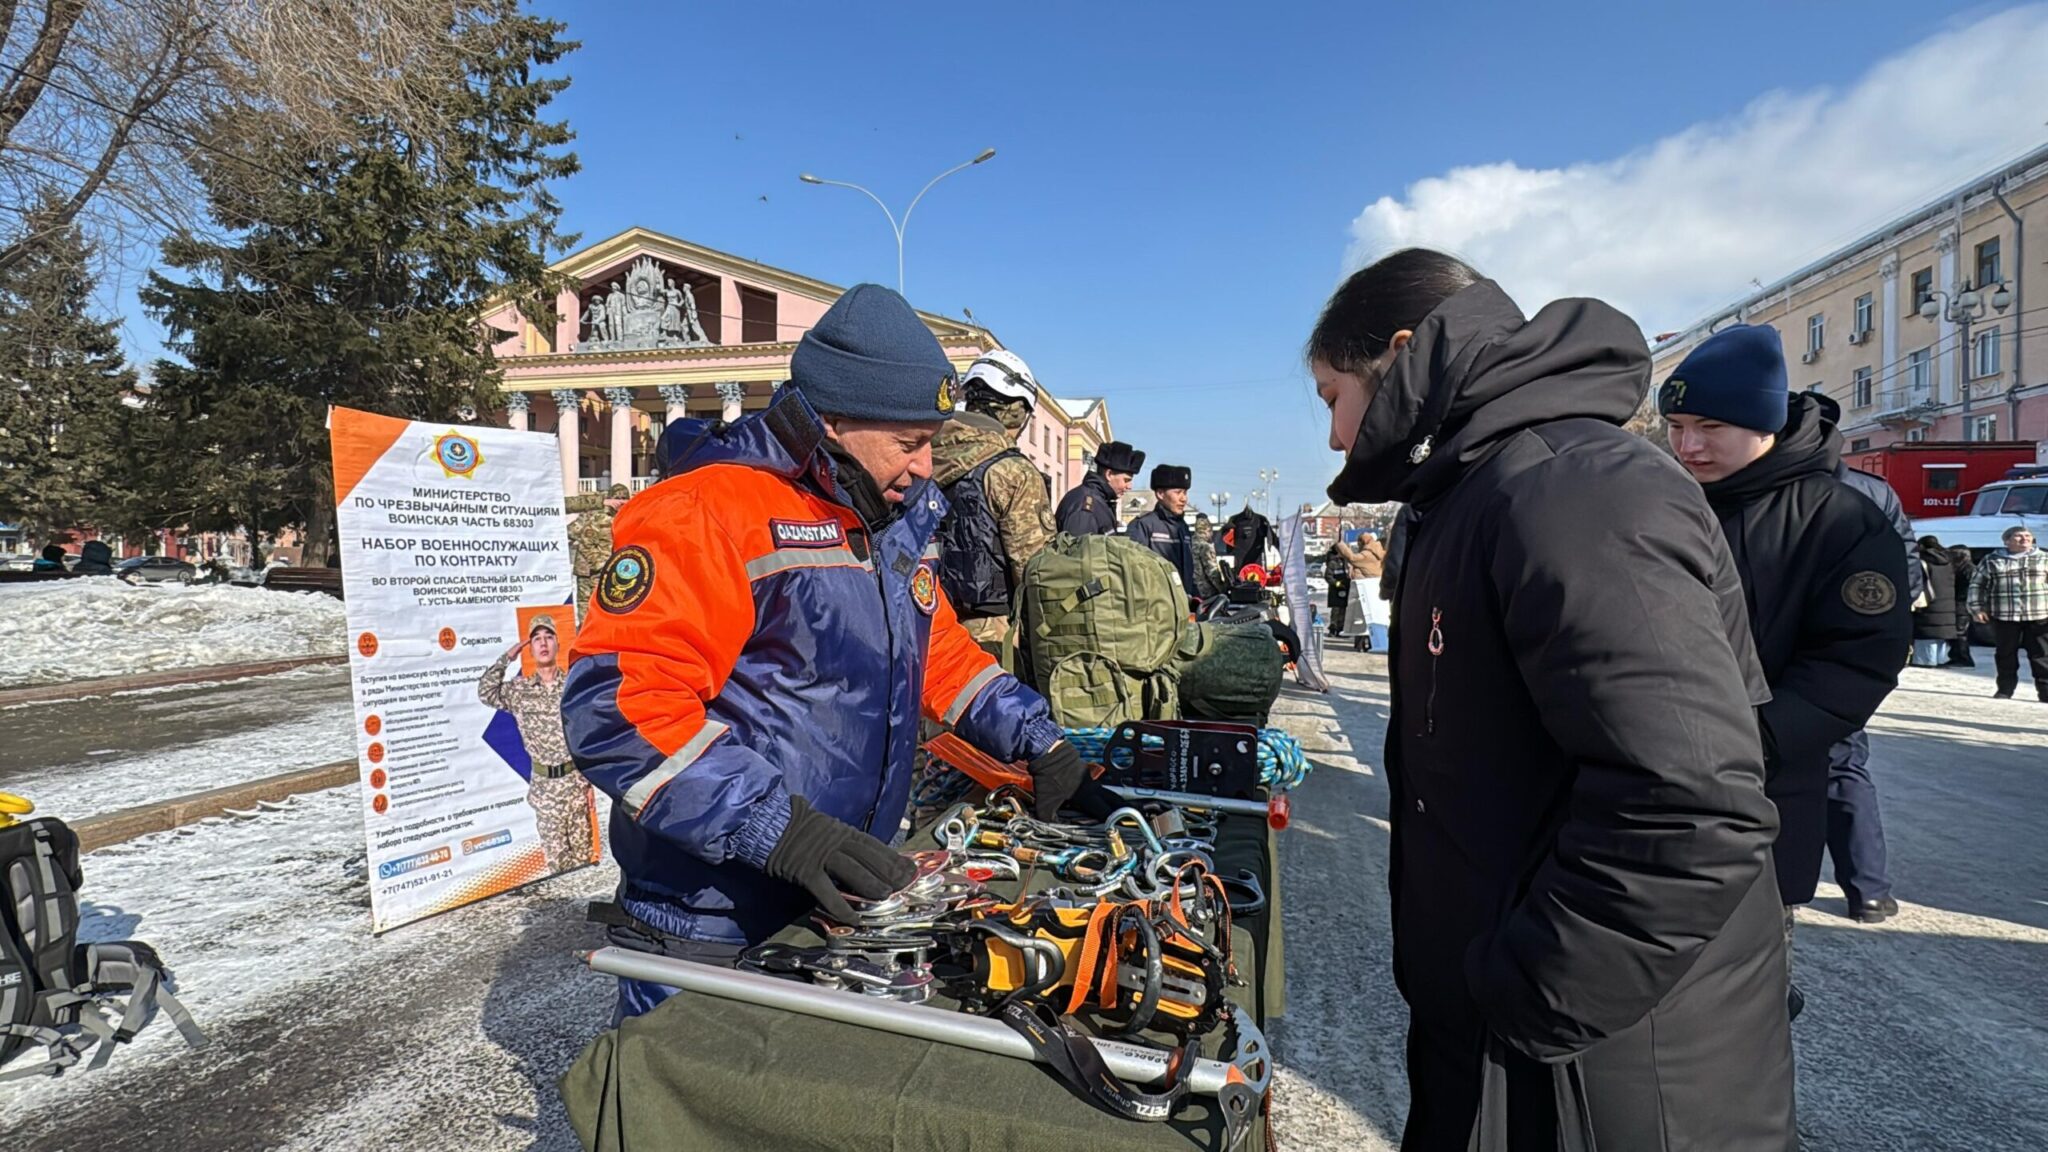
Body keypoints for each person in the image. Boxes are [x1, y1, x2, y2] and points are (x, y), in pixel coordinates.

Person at [1315, 248, 1790, 1150]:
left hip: (1602, 1061)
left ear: (1403, 353)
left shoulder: (1572, 488)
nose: (1336, 437)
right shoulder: (1472, 491)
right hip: (1519, 1030)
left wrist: (1532, 992)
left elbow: (1690, 804)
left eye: (1332, 395)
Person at [563, 284, 1115, 1020]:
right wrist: (777, 829)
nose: (926, 467)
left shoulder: (887, 517)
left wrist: (1037, 740)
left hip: (835, 890)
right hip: (714, 910)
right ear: (833, 420)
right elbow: (619, 710)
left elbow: (936, 652)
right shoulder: (710, 511)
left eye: (932, 442)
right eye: (909, 444)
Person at [1660, 325, 1910, 932]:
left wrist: (1752, 741)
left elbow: (1858, 659)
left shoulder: (1839, 519)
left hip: (1761, 788)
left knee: (1747, 964)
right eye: (1676, 426)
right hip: (1646, 783)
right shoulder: (1661, 500)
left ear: (1764, 424)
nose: (1688, 445)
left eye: (1711, 427)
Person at [930, 349, 1056, 648]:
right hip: (990, 635)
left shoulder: (919, 452)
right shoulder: (1012, 471)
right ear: (1017, 411)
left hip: (924, 623)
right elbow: (1035, 571)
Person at [477, 612, 594, 874]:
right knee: (558, 869)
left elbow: (586, 734)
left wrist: (588, 783)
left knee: (584, 863)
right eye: (536, 639)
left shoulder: (573, 685)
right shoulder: (520, 691)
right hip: (545, 792)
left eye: (548, 637)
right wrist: (507, 658)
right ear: (529, 648)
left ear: (557, 644)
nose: (543, 643)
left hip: (575, 787)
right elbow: (485, 692)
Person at [1968, 525, 2048, 701]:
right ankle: (2005, 689)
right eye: (2018, 536)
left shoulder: (2044, 558)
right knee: (2005, 654)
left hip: (2039, 614)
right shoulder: (1992, 560)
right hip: (2004, 614)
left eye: (2028, 536)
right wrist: (1977, 608)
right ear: (2006, 541)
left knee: (2041, 655)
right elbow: (1977, 585)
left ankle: (2045, 691)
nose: (2024, 539)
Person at [1125, 464, 1198, 594]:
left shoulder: (1183, 527)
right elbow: (1132, 571)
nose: (1184, 499)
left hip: (1182, 600)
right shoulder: (1143, 525)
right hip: (1157, 602)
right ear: (1160, 494)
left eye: (1185, 493)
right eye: (1178, 492)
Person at [567, 483, 631, 619]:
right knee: (587, 608)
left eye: (624, 498)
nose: (620, 502)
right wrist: (600, 564)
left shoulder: (629, 517)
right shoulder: (597, 515)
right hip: (590, 570)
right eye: (617, 498)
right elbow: (580, 537)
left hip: (613, 572)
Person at [1054, 440, 1143, 536]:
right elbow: (1080, 545)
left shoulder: (1099, 502)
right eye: (1126, 480)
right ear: (1109, 474)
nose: (1129, 486)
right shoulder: (1085, 507)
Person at [1912, 536, 1961, 668]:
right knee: (1940, 632)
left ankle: (1925, 660)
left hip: (1929, 601)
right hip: (1947, 602)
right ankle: (1940, 659)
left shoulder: (1921, 561)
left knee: (1926, 631)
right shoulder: (1948, 562)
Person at [1948, 544, 1978, 667]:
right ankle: (1956, 655)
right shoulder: (1962, 568)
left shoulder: (1968, 569)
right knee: (1957, 631)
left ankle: (1963, 657)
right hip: (1960, 602)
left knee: (1959, 632)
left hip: (1963, 603)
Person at [1189, 512, 1230, 600]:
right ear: (1207, 530)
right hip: (1206, 591)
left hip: (1192, 589)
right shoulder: (1206, 546)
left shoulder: (1189, 543)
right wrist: (1222, 589)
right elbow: (1211, 571)